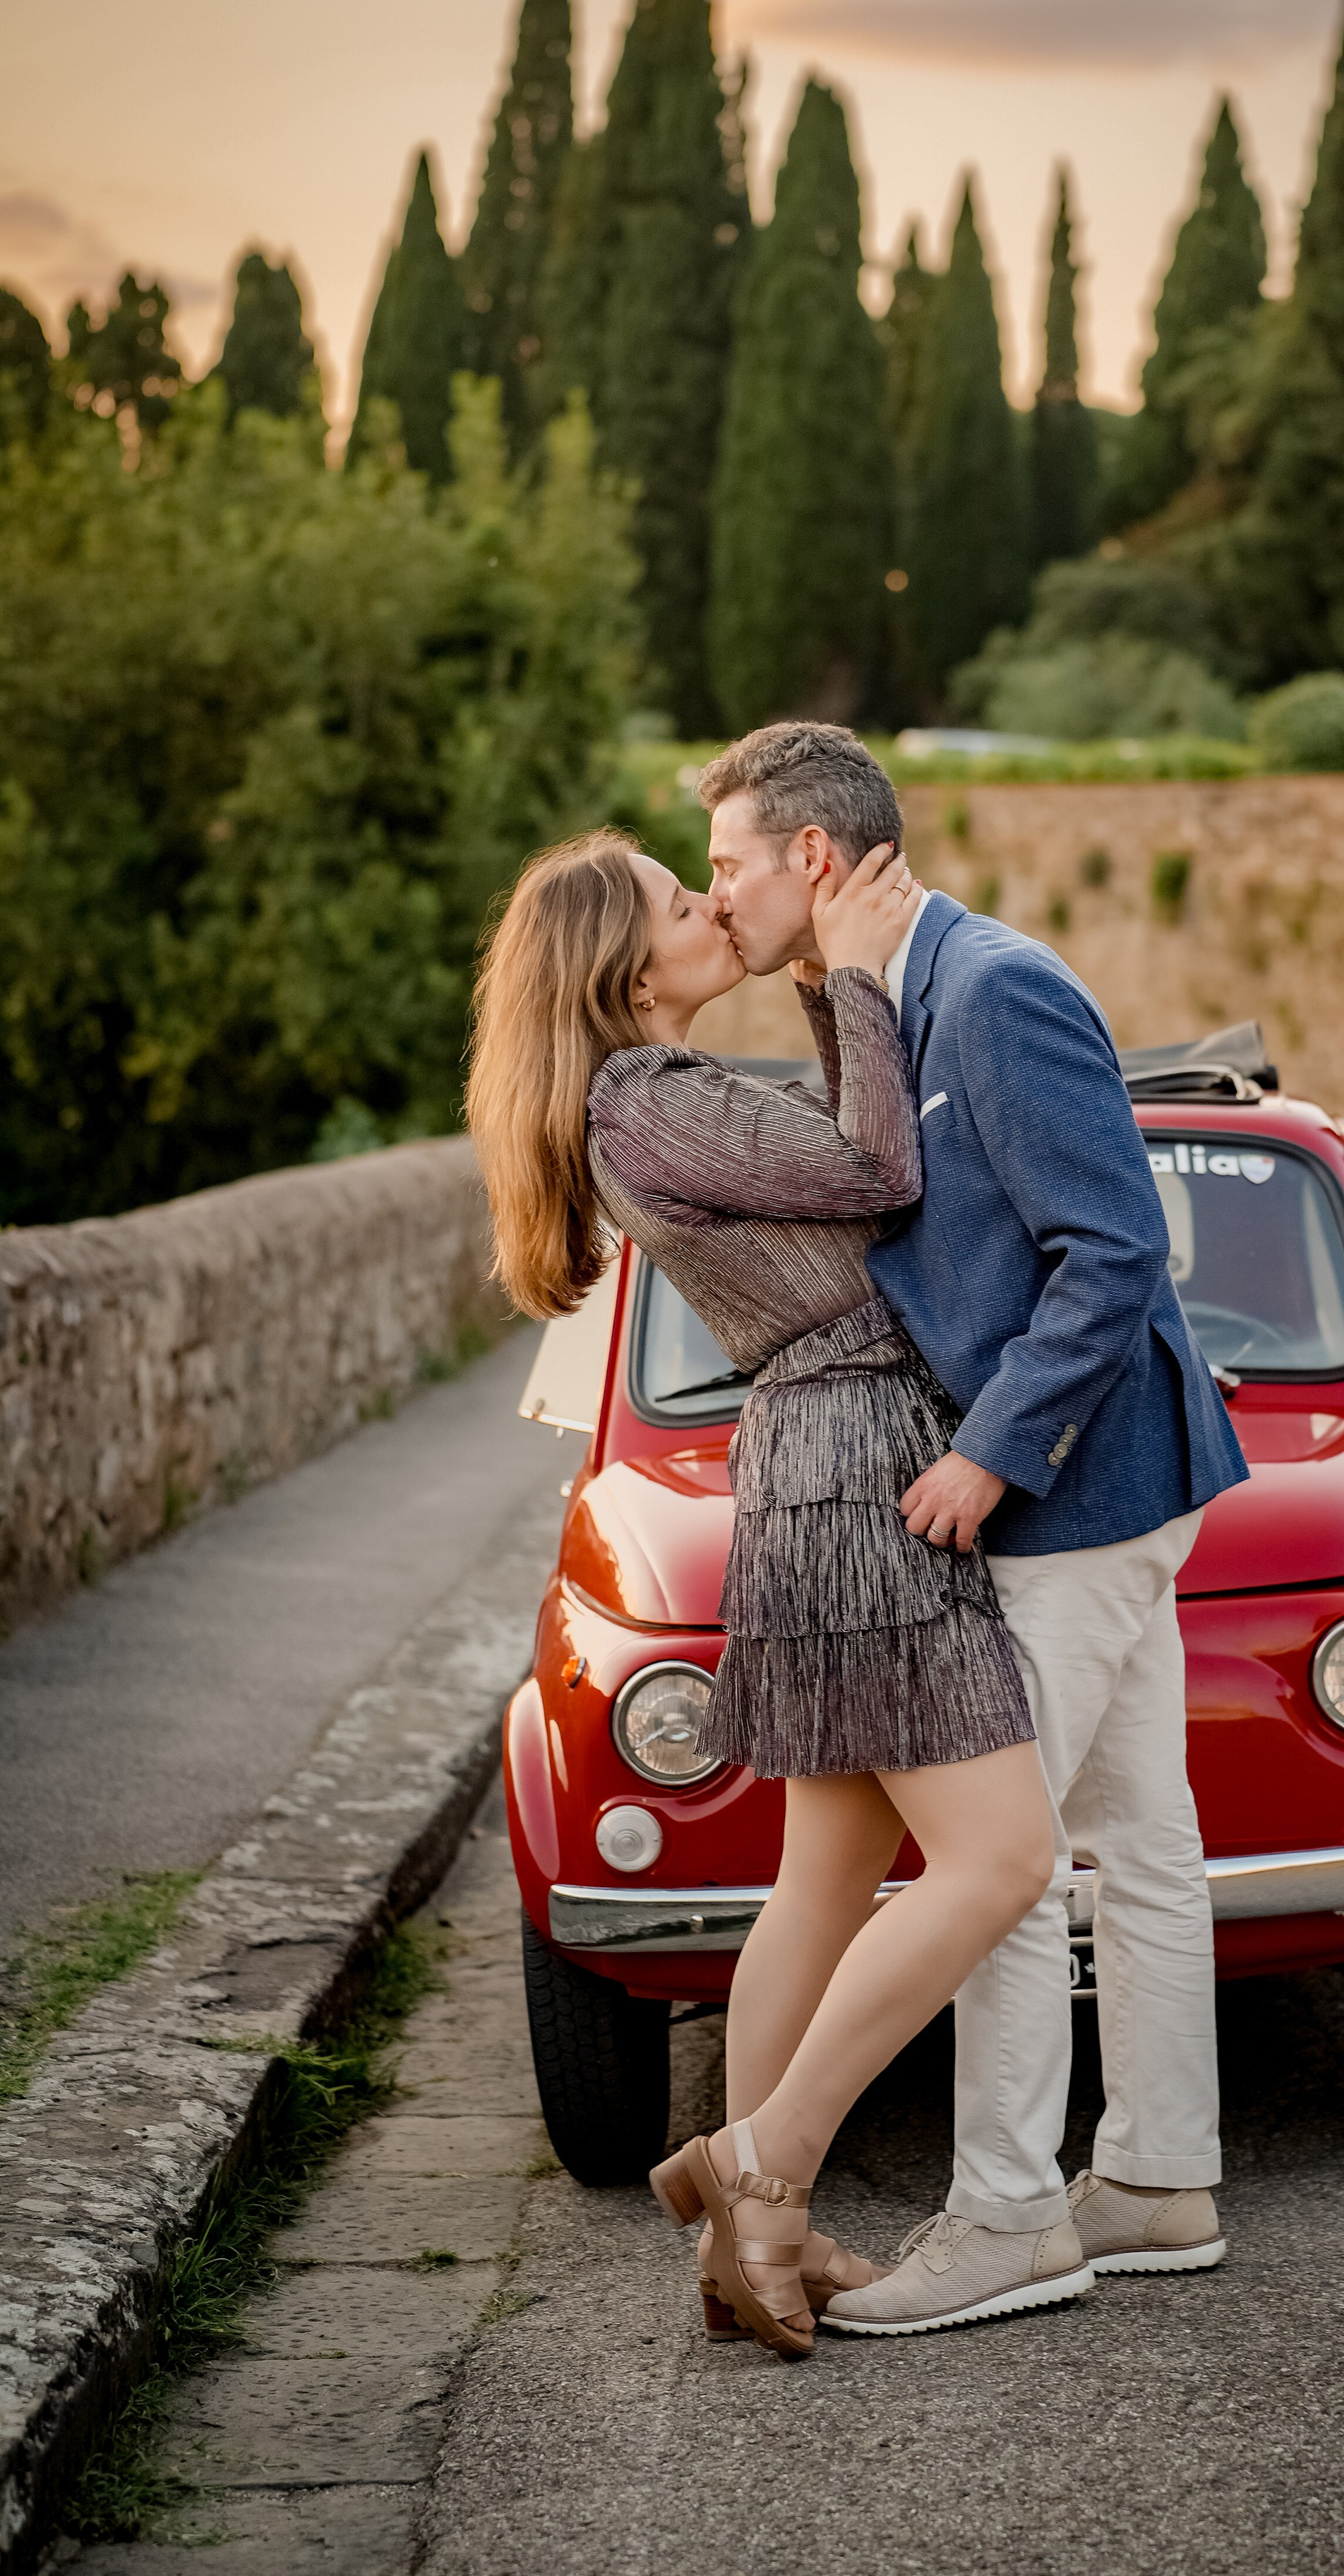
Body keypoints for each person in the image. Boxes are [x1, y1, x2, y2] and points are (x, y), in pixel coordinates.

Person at [465, 826, 1060, 2363]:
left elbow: (827, 1162)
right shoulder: (645, 1098)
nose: (708, 903)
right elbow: (875, 1164)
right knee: (1000, 1861)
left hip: (824, 1462)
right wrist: (854, 974)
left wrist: (819, 983)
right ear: (623, 965)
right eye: (680, 900)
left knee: (824, 1872)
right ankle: (759, 2157)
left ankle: (762, 2241)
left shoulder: (647, 1102)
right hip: (855, 1470)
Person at [702, 721, 1249, 2337]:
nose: (717, 896)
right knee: (1141, 1844)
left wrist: (992, 1460)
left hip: (1074, 1489)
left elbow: (1112, 1253)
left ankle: (1009, 2215)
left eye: (730, 864)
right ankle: (1155, 2179)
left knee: (987, 1860)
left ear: (813, 857)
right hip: (1113, 1488)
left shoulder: (992, 988)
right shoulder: (875, 996)